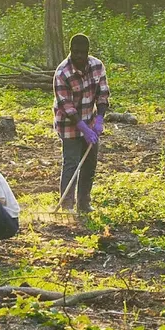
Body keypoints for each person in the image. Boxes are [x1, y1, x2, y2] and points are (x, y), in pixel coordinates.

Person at [53, 33, 110, 216]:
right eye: (75, 52)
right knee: (71, 163)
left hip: (91, 122)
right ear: (70, 51)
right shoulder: (62, 73)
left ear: (87, 52)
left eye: (82, 53)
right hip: (69, 125)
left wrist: (99, 119)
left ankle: (84, 203)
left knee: (89, 163)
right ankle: (66, 205)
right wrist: (82, 128)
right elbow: (66, 106)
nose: (78, 56)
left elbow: (103, 94)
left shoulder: (97, 66)